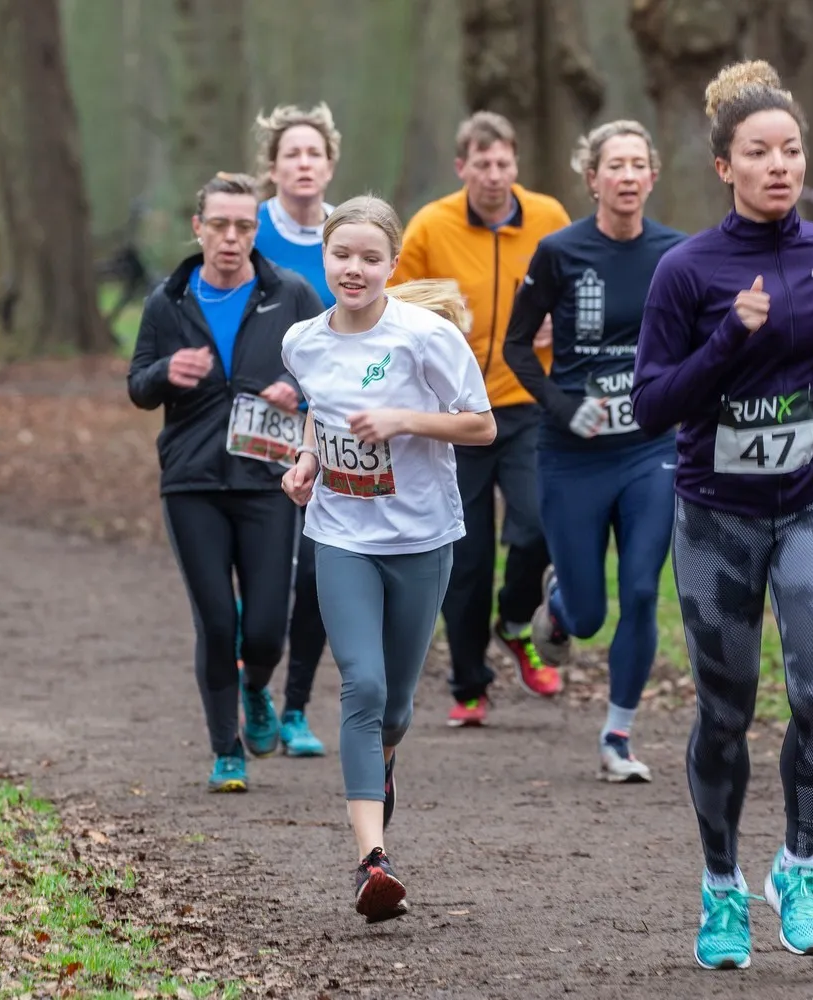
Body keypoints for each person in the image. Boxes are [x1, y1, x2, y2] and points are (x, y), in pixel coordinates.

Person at [631, 61, 813, 970]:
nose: (781, 165)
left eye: (792, 150)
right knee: (726, 713)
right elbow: (654, 404)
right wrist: (728, 338)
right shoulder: (686, 271)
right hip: (716, 515)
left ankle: (799, 867)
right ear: (723, 165)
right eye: (760, 152)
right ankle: (722, 888)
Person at [280, 195, 496, 923]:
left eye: (371, 258)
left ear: (391, 265)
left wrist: (405, 419)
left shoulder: (426, 338)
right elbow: (319, 407)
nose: (354, 268)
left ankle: (383, 764)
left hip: (421, 537)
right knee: (363, 689)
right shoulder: (302, 341)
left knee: (397, 705)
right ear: (325, 259)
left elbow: (483, 425)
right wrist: (306, 459)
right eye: (342, 255)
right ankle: (374, 862)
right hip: (341, 535)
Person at [128, 172, 325, 793]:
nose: (232, 237)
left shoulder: (289, 294)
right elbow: (137, 385)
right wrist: (166, 371)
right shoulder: (168, 301)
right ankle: (225, 750)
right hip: (191, 483)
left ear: (255, 231)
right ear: (199, 228)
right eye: (220, 225)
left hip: (268, 479)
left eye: (244, 226)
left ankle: (256, 684)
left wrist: (299, 392)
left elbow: (331, 371)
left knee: (265, 626)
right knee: (216, 620)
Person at [504, 121, 687, 784]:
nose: (629, 176)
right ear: (594, 178)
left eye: (640, 164)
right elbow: (516, 347)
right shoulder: (558, 252)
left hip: (649, 451)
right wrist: (562, 406)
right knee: (585, 618)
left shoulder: (677, 255)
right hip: (572, 454)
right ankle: (557, 600)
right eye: (617, 165)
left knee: (640, 588)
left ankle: (618, 736)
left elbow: (700, 344)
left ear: (653, 176)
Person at [392, 111, 571, 727]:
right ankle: (469, 684)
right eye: (482, 164)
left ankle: (515, 620)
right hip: (456, 415)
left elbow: (579, 293)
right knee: (463, 560)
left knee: (538, 524)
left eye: (504, 164)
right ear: (461, 167)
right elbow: (393, 307)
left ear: (516, 165)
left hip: (525, 403)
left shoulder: (548, 218)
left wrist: (560, 322)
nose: (494, 176)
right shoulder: (430, 227)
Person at [246, 102, 343, 757]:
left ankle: (298, 707)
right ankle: (252, 680)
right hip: (259, 422)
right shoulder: (246, 231)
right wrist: (265, 383)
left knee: (317, 574)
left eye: (314, 154)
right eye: (292, 155)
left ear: (330, 164)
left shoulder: (351, 231)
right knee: (265, 577)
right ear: (273, 168)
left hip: (331, 422)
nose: (303, 164)